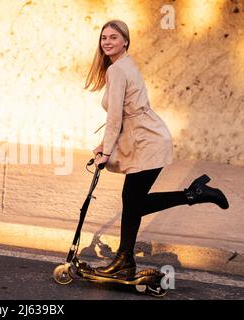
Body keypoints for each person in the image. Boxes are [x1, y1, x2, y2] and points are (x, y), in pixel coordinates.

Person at [84, 20, 229, 278]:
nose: (107, 41)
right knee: (133, 203)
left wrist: (106, 153)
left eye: (113, 37)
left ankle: (194, 195)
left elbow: (116, 115)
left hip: (147, 141)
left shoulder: (118, 69)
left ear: (125, 41)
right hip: (147, 137)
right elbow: (124, 113)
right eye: (104, 37)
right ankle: (124, 259)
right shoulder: (125, 64)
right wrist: (104, 145)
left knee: (133, 203)